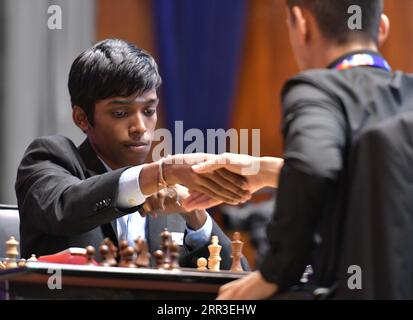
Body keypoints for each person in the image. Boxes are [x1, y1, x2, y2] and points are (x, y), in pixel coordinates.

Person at [190, 0, 411, 299]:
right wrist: (265, 170)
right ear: (381, 28)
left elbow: (315, 167)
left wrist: (274, 273)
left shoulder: (317, 89)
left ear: (301, 23)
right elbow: (374, 176)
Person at [15, 39, 251, 270]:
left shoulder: (168, 196)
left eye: (149, 110)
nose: (140, 126)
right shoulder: (50, 158)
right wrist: (160, 173)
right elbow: (64, 209)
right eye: (120, 113)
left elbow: (239, 280)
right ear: (82, 118)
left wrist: (195, 213)